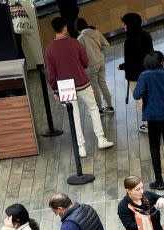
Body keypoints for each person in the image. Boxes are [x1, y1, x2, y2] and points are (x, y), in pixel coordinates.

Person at [44, 16, 114, 158]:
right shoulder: (75, 43)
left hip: (65, 87)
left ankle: (81, 147)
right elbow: (86, 62)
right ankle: (101, 139)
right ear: (64, 28)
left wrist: (55, 89)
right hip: (82, 82)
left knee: (74, 115)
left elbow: (51, 74)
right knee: (93, 108)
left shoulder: (49, 49)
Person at [134, 51, 164, 189]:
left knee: (154, 148)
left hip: (152, 117)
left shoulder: (144, 76)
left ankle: (159, 181)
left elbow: (137, 94)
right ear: (160, 62)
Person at [119, 13, 154, 134]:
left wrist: (121, 66)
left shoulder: (129, 41)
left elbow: (131, 62)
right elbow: (149, 54)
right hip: (148, 72)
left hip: (135, 76)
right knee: (149, 97)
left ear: (129, 25)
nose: (123, 25)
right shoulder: (146, 35)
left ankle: (148, 124)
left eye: (124, 23)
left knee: (140, 100)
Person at [76, 18, 113, 114]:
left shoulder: (81, 38)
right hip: (101, 61)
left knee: (94, 87)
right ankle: (110, 106)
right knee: (103, 84)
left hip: (91, 65)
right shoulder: (95, 31)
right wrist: (98, 52)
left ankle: (99, 109)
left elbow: (79, 54)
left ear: (77, 28)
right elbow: (106, 45)